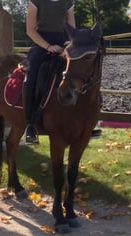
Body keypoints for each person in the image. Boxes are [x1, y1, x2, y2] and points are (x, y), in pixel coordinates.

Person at [23, 0, 101, 144]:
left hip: (64, 44)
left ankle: (89, 121)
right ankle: (30, 124)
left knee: (83, 71)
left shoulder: (67, 2)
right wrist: (48, 46)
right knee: (31, 75)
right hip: (41, 44)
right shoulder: (36, 1)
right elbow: (30, 30)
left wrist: (70, 45)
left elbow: (72, 29)